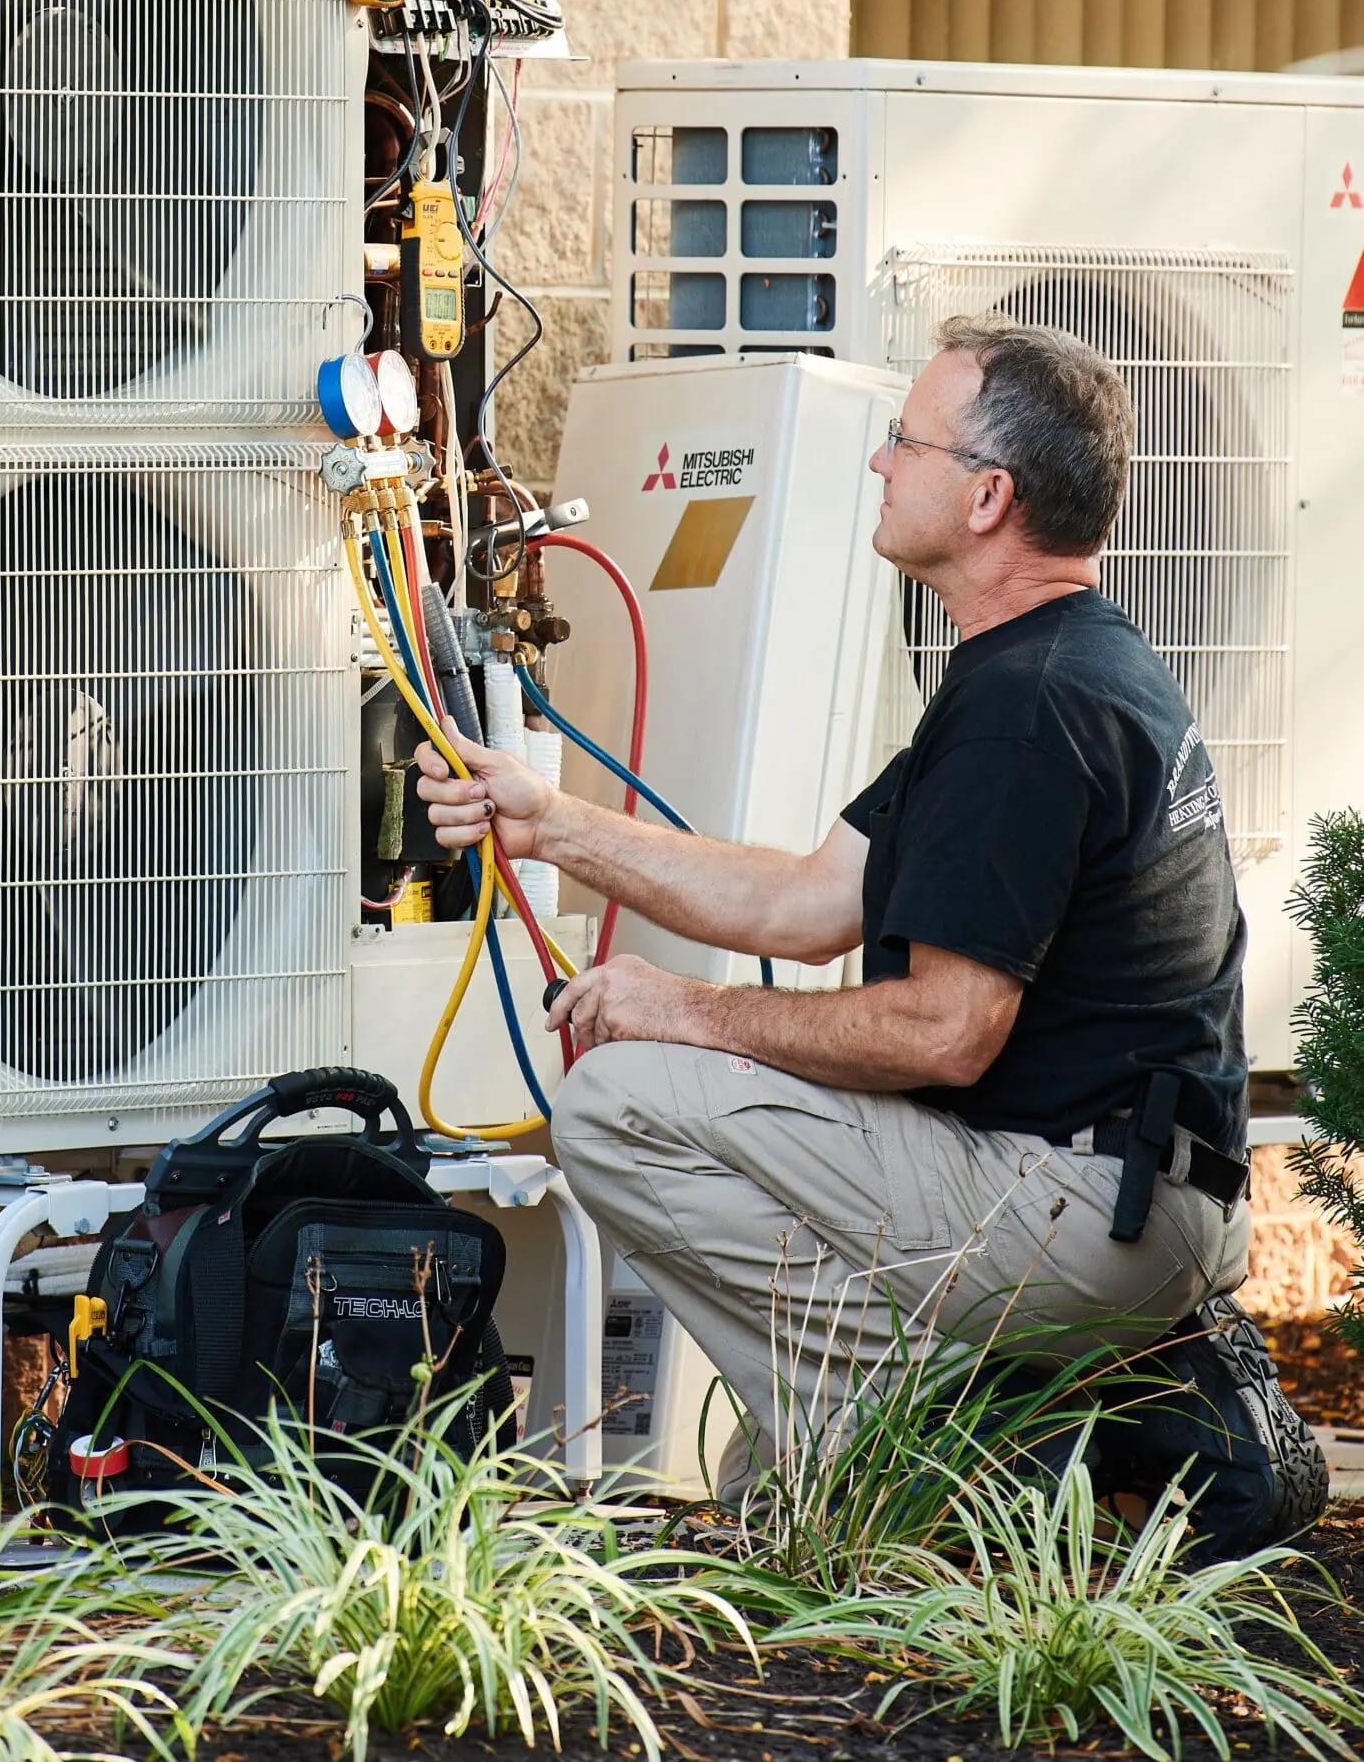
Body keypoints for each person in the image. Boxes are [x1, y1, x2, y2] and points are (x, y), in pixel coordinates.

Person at [416, 318, 1324, 1546]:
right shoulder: (1053, 667)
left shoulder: (1027, 710)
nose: (880, 463)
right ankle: (938, 1432)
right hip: (1124, 1196)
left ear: (988, 495)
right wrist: (553, 824)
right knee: (755, 1441)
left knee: (619, 1104)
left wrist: (679, 1008)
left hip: (1082, 1205)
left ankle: (917, 1466)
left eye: (906, 441)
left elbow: (945, 1032)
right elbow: (802, 902)